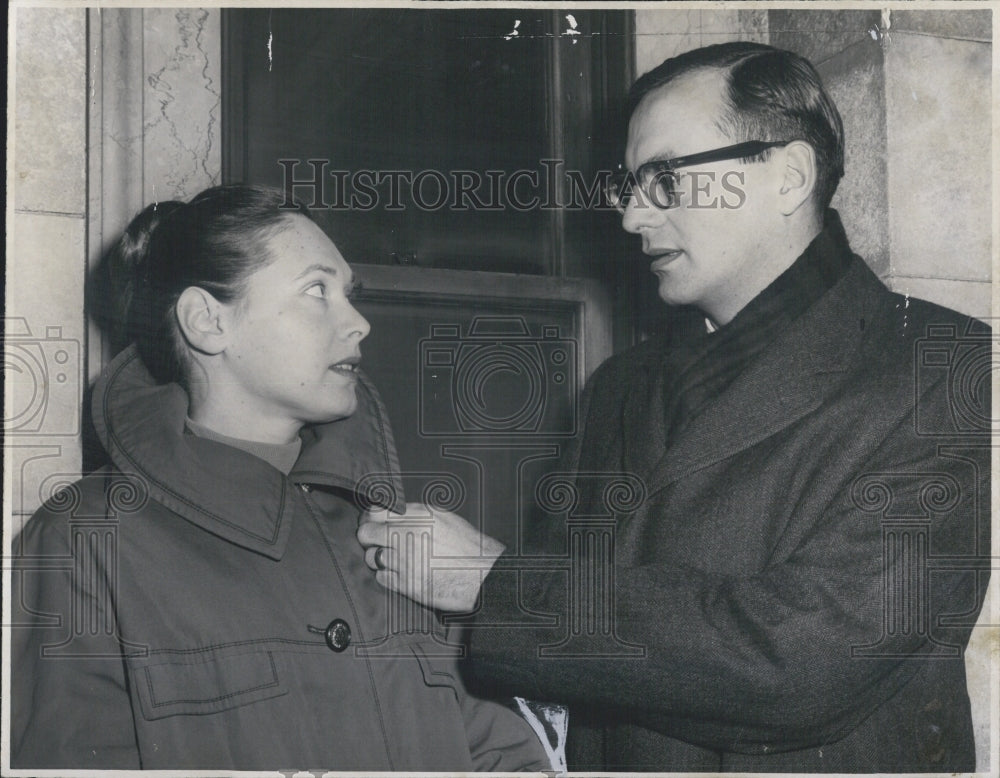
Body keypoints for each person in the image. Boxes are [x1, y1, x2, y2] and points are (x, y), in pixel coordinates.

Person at [358, 43, 991, 772]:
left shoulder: (934, 363)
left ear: (787, 177)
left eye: (663, 179)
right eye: (628, 185)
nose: (631, 217)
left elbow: (801, 665)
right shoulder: (618, 387)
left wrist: (493, 584)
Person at [9, 185, 551, 771]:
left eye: (350, 294)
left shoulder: (394, 531)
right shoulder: (87, 538)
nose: (360, 323)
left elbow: (498, 749)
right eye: (317, 290)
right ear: (206, 322)